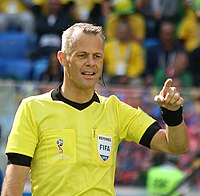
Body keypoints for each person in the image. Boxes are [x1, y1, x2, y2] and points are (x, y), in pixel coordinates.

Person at [1, 23, 189, 196]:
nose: (91, 63)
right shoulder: (33, 108)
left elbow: (175, 146)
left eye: (97, 56)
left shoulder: (115, 110)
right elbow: (14, 182)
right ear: (62, 58)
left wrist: (172, 114)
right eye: (82, 55)